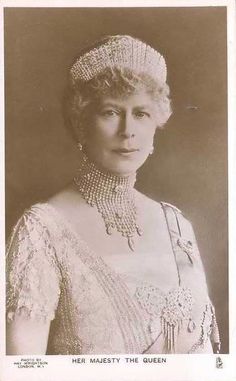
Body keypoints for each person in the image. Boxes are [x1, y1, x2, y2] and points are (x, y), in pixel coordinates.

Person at [6, 35, 220, 355]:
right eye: (110, 112)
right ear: (80, 123)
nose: (127, 131)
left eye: (141, 114)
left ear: (155, 124)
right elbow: (21, 371)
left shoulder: (177, 225)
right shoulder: (41, 232)